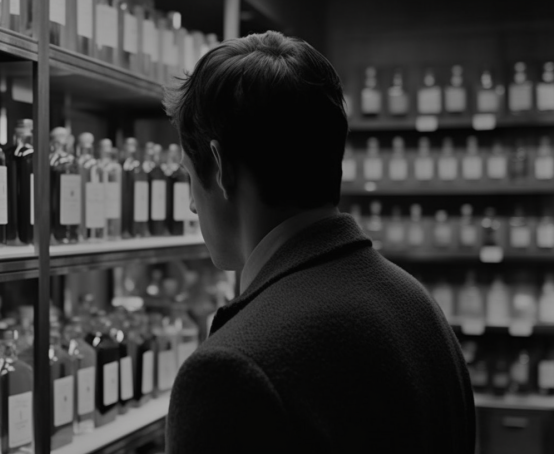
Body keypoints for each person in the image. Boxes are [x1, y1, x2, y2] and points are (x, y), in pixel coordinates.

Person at [162, 31, 475, 453]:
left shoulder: (230, 372)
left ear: (219, 168)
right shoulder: (419, 307)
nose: (193, 207)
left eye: (188, 175)